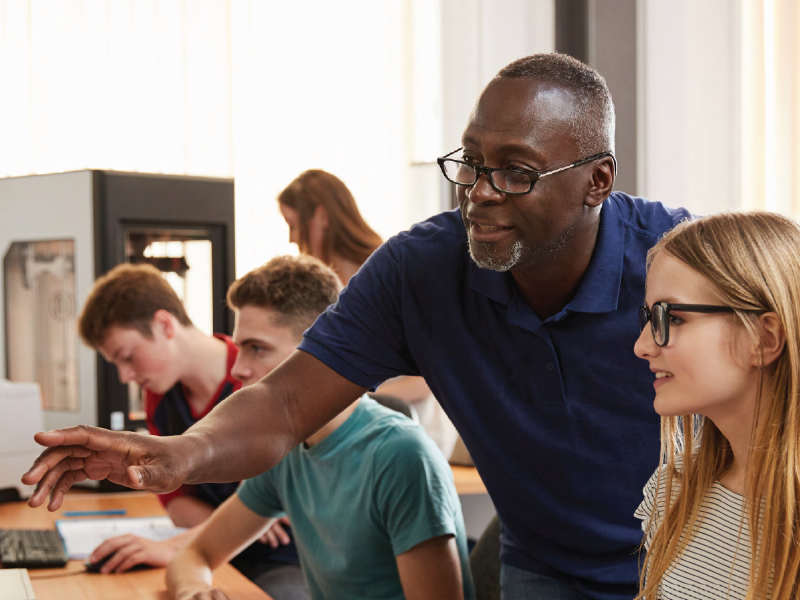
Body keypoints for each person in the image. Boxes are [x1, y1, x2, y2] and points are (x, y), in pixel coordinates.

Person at [23, 53, 693, 600]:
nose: (480, 191)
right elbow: (286, 402)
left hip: (687, 555)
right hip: (545, 565)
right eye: (470, 162)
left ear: (597, 181)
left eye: (515, 172)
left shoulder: (682, 259)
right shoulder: (422, 268)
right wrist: (179, 455)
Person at [166, 254, 474, 600]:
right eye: (239, 348)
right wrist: (195, 592)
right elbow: (195, 555)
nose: (237, 369)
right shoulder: (284, 450)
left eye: (257, 349)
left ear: (317, 350)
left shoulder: (402, 456)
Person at [73, 264, 303, 596]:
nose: (124, 377)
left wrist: (233, 522)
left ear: (165, 325)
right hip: (211, 552)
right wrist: (233, 523)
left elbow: (269, 509)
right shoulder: (161, 397)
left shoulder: (259, 374)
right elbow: (178, 502)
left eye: (127, 357)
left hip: (284, 560)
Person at [633, 213, 799, 600]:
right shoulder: (674, 489)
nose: (642, 346)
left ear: (764, 337)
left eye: (670, 317)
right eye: (649, 317)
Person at [278, 169, 458, 456]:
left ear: (321, 217)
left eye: (292, 224)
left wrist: (352, 402)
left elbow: (428, 378)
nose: (291, 238)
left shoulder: (391, 274)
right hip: (363, 428)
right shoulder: (323, 289)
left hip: (414, 431)